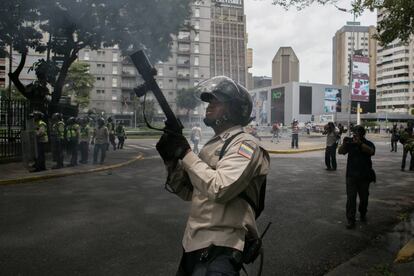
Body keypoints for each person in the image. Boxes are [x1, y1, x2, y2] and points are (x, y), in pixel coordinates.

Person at [156, 76, 270, 275]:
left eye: (216, 102)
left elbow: (220, 188)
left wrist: (185, 153)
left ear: (234, 110)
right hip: (192, 242)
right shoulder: (213, 146)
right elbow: (188, 192)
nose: (209, 106)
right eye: (209, 102)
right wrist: (171, 160)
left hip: (221, 246)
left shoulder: (245, 144)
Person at [338, 125, 376, 229]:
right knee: (351, 199)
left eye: (357, 132)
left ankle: (363, 213)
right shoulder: (351, 143)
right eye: (354, 132)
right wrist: (345, 144)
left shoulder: (368, 143)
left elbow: (371, 151)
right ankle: (351, 220)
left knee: (364, 199)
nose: (355, 134)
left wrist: (360, 144)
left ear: (362, 134)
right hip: (351, 176)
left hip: (364, 176)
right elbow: (340, 151)